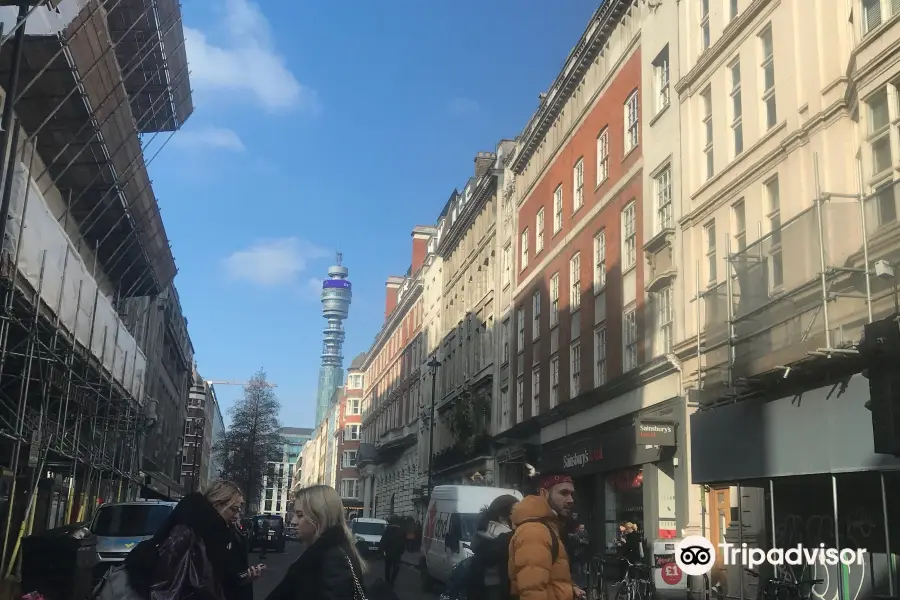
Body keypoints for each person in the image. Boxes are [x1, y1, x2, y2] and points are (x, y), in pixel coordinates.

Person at [124, 480, 263, 600]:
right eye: (234, 509)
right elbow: (168, 583)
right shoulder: (188, 532)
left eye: (239, 510)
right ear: (219, 504)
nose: (237, 515)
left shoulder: (222, 534)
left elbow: (219, 578)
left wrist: (242, 579)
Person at [266, 485, 367, 600]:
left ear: (320, 517)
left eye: (300, 515)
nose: (293, 521)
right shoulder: (327, 552)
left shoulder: (333, 558)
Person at [508, 467, 583, 600]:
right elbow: (532, 592)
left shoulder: (547, 526)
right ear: (544, 494)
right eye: (564, 493)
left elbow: (548, 578)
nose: (571, 500)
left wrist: (569, 590)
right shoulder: (534, 531)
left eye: (572, 494)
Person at [466, 494, 518, 600]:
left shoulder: (483, 530)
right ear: (503, 516)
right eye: (515, 511)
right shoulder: (502, 537)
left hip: (482, 588)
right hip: (495, 590)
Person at [380, 516, 406, 588]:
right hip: (397, 553)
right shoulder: (400, 531)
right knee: (396, 568)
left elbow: (383, 541)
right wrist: (401, 552)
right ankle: (392, 580)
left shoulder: (387, 531)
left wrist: (383, 550)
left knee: (388, 567)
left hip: (388, 553)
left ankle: (388, 581)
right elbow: (403, 543)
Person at [567, 524, 590, 590]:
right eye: (580, 528)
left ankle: (584, 586)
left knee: (584, 572)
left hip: (584, 557)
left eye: (582, 528)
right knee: (578, 572)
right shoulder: (575, 536)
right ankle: (579, 587)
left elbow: (587, 543)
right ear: (578, 528)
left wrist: (581, 541)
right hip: (577, 557)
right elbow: (572, 544)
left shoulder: (586, 535)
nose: (581, 530)